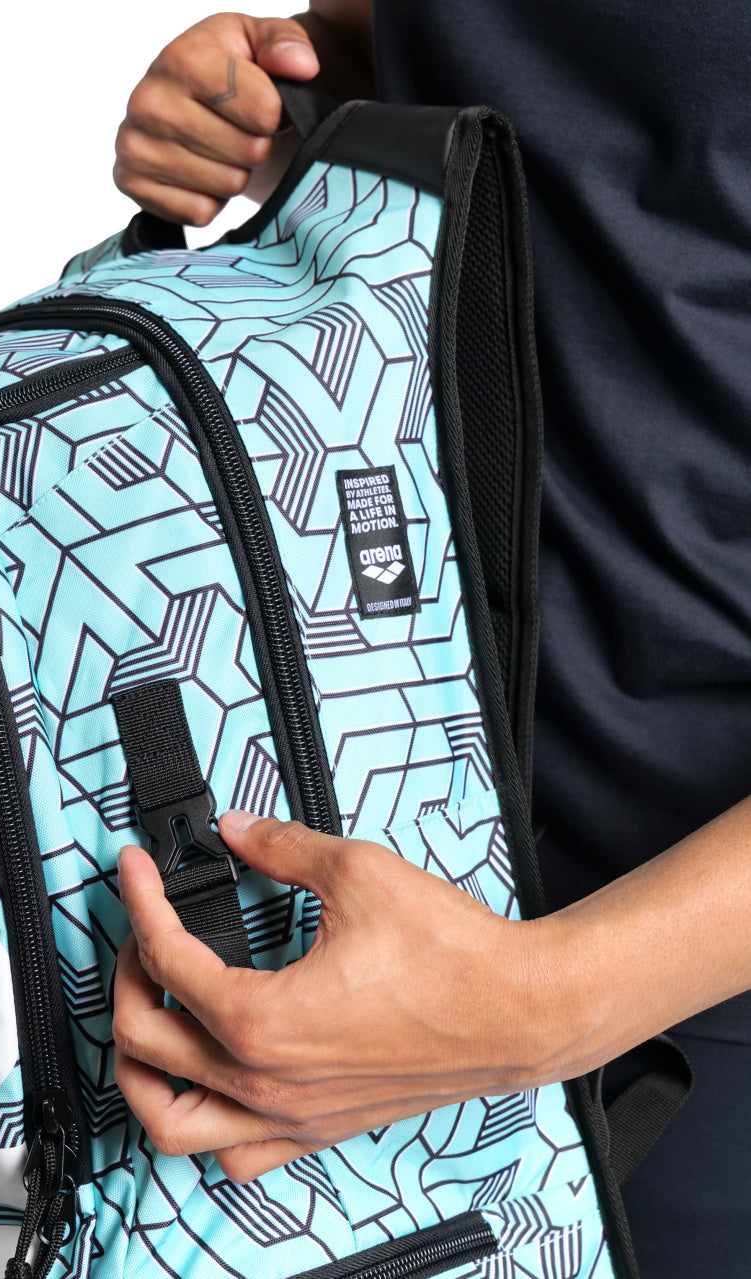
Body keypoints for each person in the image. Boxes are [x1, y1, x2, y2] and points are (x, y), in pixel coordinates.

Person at [106, 4, 751, 1277]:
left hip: (691, 996)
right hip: (382, 864)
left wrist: (539, 1004)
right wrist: (265, 104)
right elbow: (424, 58)